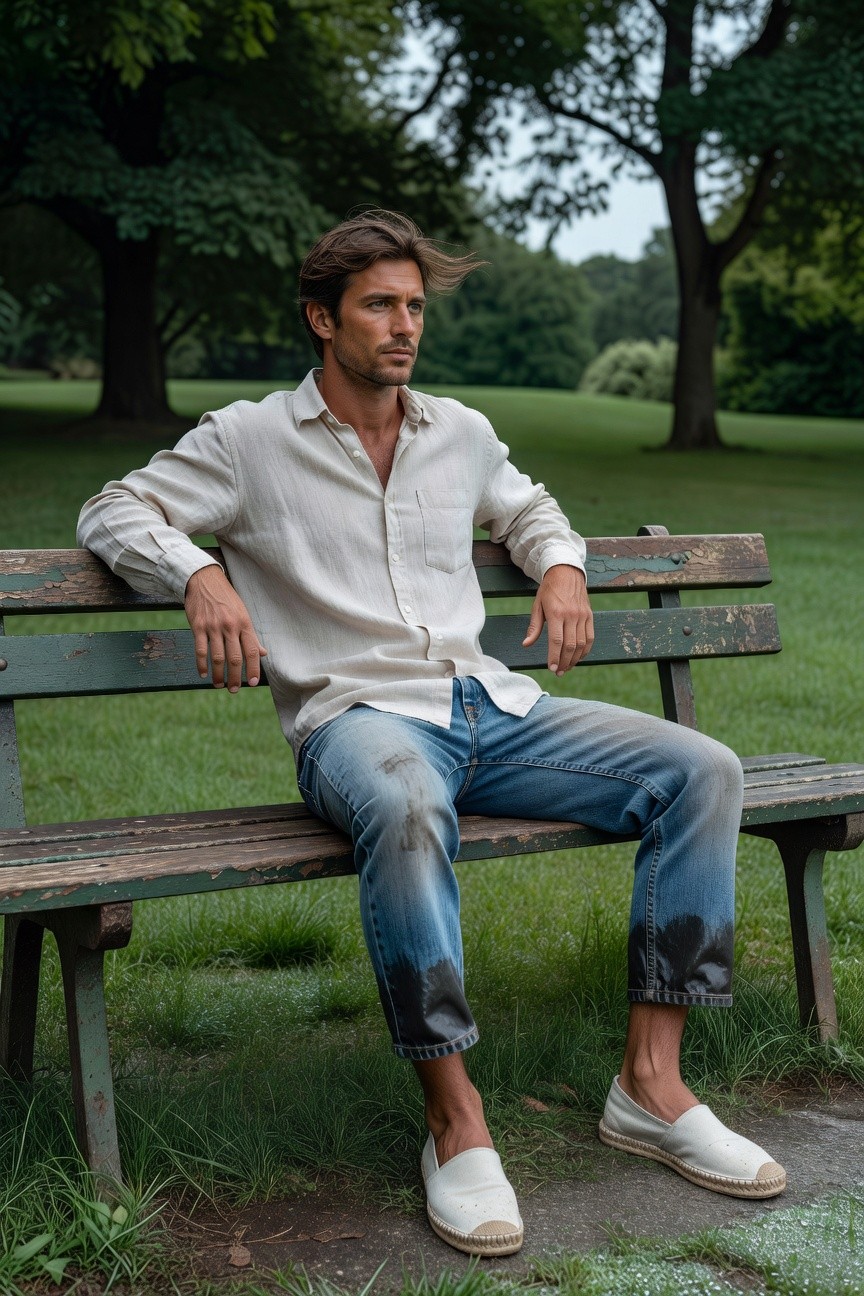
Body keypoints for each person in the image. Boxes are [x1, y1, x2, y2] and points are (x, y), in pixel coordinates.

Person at [78, 210, 785, 1258]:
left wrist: (559, 564)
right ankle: (456, 1125)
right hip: (355, 724)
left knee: (703, 771)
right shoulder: (249, 440)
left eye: (414, 305)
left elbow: (530, 505)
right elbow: (113, 508)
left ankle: (652, 1086)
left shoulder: (459, 431)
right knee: (409, 804)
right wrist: (199, 572)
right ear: (323, 318)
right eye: (379, 305)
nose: (404, 325)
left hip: (487, 708)